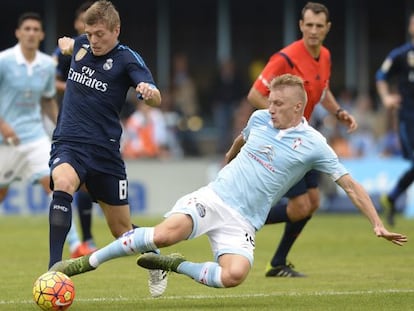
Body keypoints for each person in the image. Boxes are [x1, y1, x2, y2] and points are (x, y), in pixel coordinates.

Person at [49, 74, 407, 293]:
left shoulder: (314, 144)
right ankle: (87, 264)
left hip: (245, 221)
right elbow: (242, 136)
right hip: (216, 197)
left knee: (234, 276)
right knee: (162, 234)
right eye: (270, 102)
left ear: (299, 109)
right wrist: (231, 155)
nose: (271, 109)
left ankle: (172, 266)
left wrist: (377, 223)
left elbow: (350, 185)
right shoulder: (260, 118)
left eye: (279, 105)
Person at [46, 0, 166, 298]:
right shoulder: (80, 45)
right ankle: (52, 271)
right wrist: (63, 50)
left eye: (100, 34)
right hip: (69, 143)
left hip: (105, 153)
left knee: (121, 230)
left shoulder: (127, 59)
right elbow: (54, 73)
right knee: (63, 182)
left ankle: (156, 260)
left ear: (116, 30)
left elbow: (155, 97)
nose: (94, 40)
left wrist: (149, 94)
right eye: (89, 33)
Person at [247, 2, 358, 277]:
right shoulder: (286, 58)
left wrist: (339, 111)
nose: (313, 30)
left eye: (319, 26)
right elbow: (254, 95)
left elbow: (322, 91)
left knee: (312, 203)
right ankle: (245, 223)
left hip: (302, 140)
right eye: (309, 25)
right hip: (284, 142)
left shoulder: (326, 56)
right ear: (300, 26)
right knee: (299, 207)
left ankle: (277, 262)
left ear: (327, 28)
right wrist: (279, 123)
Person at [0, 12, 86, 254]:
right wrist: (3, 125)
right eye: (26, 28)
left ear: (41, 34)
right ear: (18, 33)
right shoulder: (4, 60)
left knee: (57, 184)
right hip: (5, 141)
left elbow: (48, 100)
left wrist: (62, 125)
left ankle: (76, 244)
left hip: (34, 136)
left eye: (35, 29)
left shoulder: (47, 65)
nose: (30, 33)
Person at [52, 0, 97, 258]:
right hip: (70, 124)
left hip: (97, 126)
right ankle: (77, 242)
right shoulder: (65, 51)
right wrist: (70, 87)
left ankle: (86, 238)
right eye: (84, 22)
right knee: (71, 182)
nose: (87, 27)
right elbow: (52, 80)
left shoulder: (105, 53)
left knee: (88, 186)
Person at [376, 11, 414, 227]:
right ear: (410, 27)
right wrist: (385, 97)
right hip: (409, 117)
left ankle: (390, 198)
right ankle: (391, 197)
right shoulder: (401, 54)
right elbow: (381, 75)